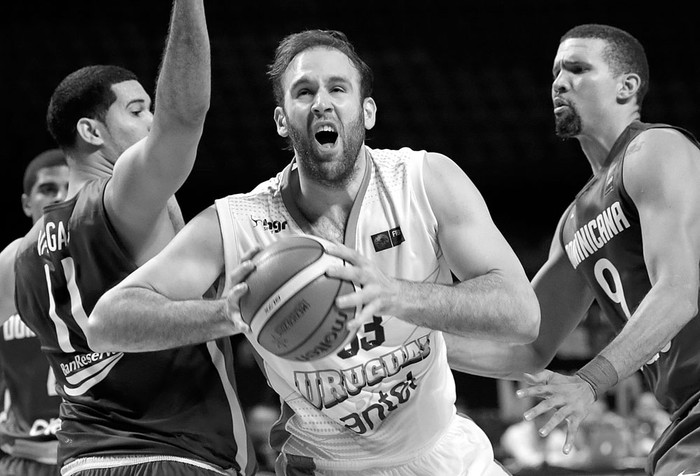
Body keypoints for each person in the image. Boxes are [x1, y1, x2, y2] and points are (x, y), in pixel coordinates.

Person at [87, 29, 540, 475]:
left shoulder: (425, 180)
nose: (321, 101)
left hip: (444, 453)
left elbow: (522, 314)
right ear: (283, 119)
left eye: (337, 88)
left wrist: (396, 295)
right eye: (304, 91)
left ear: (367, 112)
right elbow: (106, 323)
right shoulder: (239, 223)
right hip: (327, 466)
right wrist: (231, 314)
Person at [6, 1, 257, 475]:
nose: (151, 121)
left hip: (79, 462)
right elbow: (185, 115)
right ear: (91, 131)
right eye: (139, 109)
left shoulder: (18, 255)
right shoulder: (125, 197)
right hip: (175, 455)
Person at [447, 24, 700, 476]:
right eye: (556, 73)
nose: (560, 82)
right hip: (685, 418)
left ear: (627, 86)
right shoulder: (574, 223)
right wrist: (409, 345)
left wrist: (589, 381)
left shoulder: (655, 149)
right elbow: (526, 344)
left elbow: (680, 289)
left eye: (579, 69)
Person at [0, 148, 68, 476]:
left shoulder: (106, 270)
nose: (60, 198)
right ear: (27, 203)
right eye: (48, 189)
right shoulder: (6, 272)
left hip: (94, 452)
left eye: (70, 188)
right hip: (22, 457)